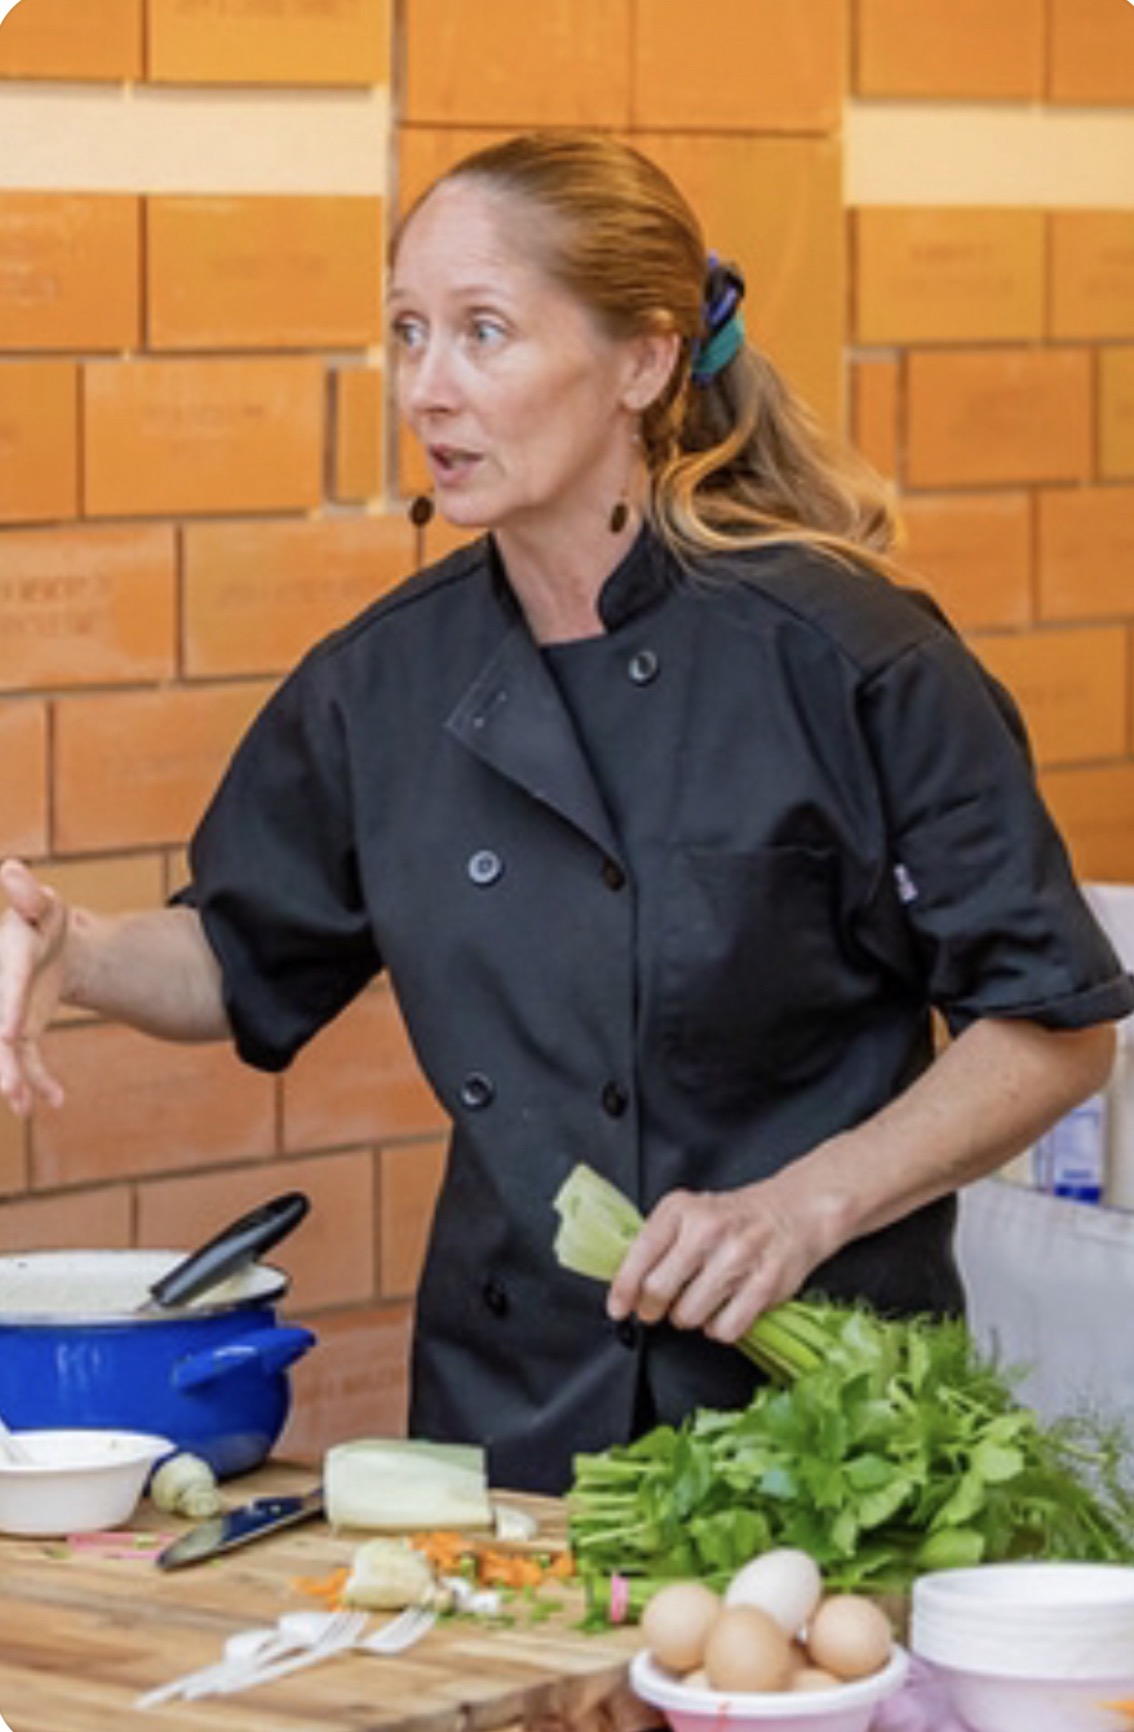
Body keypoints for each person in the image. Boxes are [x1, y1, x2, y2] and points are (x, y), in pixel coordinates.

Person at [1, 132, 1131, 1499]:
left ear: (642, 363)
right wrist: (78, 946)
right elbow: (240, 958)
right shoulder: (380, 683)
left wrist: (799, 1207)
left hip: (830, 1425)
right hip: (510, 1421)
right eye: (409, 332)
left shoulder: (845, 656)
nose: (428, 388)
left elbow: (1051, 1029)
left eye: (484, 333)